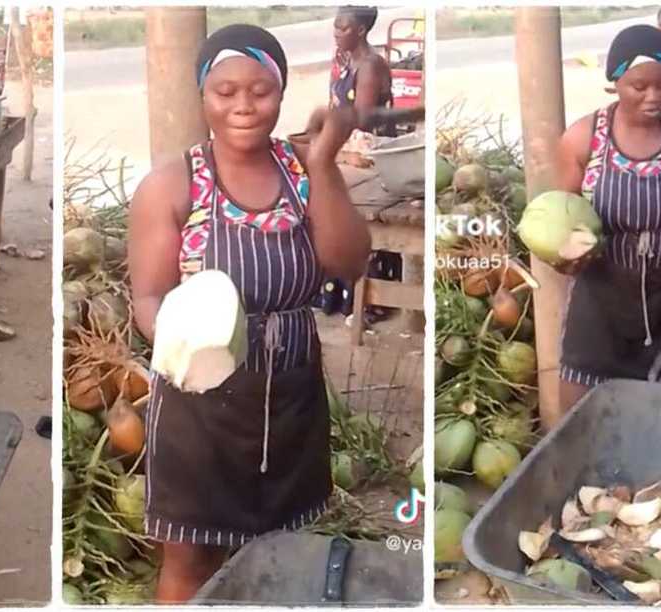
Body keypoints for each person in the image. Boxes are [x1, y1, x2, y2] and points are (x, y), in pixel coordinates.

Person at [127, 24, 371, 603]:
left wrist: (327, 164)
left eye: (260, 91)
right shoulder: (172, 186)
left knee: (281, 553)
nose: (243, 105)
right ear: (203, 95)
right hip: (197, 407)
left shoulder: (303, 173)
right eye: (225, 91)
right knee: (191, 559)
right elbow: (147, 297)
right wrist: (187, 345)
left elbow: (349, 263)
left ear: (281, 92)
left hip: (291, 395)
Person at [551, 25, 661, 429]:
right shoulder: (583, 139)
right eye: (639, 86)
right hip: (600, 296)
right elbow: (562, 215)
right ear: (614, 81)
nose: (654, 97)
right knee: (581, 412)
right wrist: (566, 256)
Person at [318, 5, 401, 320]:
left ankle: (369, 299)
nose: (336, 33)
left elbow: (361, 123)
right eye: (336, 27)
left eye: (343, 27)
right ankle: (333, 293)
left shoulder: (369, 66)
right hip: (350, 149)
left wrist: (331, 147)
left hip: (372, 154)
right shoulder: (344, 61)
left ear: (361, 30)